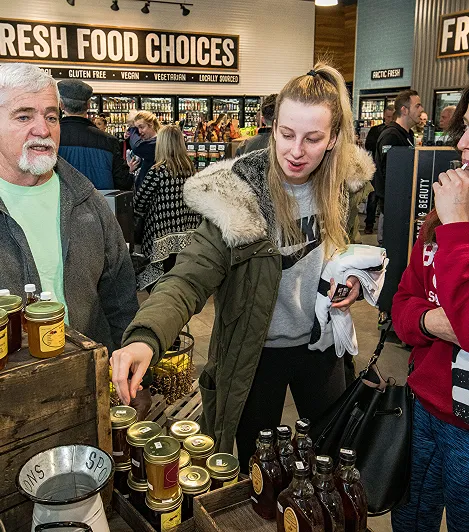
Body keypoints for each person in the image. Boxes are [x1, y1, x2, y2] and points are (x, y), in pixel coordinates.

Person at [111, 63, 375, 470]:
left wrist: (353, 279)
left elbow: (343, 252)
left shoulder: (342, 186)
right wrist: (145, 337)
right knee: (257, 467)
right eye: (286, 134)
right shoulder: (237, 195)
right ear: (272, 127)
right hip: (255, 353)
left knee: (331, 456)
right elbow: (187, 277)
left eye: (313, 138)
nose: (295, 150)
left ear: (334, 139)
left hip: (323, 347)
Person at [0, 62, 139, 356]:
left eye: (52, 117)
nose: (43, 129)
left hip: (89, 378)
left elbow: (120, 297)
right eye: (24, 116)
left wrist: (131, 368)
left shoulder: (86, 199)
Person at [391, 86, 469, 532]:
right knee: (410, 516)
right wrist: (428, 321)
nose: (461, 142)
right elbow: (403, 303)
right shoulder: (440, 218)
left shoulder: (452, 219)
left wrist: (458, 226)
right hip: (423, 406)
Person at [134, 125, 201, 291]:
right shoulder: (190, 169)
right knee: (178, 280)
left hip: (161, 235)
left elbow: (139, 202)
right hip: (187, 234)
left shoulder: (158, 171)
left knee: (160, 285)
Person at [57, 80, 132, 190]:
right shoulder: (109, 140)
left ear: (61, 105)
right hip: (101, 204)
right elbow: (123, 183)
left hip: (61, 205)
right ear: (88, 105)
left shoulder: (52, 137)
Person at [374, 90, 423, 244]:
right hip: (392, 208)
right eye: (417, 106)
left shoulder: (407, 135)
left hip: (403, 207)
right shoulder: (391, 135)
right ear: (404, 110)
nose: (421, 110)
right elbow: (388, 174)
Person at [363, 105, 395, 234]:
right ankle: (369, 224)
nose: (389, 119)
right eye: (388, 117)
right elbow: (368, 145)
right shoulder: (376, 130)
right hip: (376, 168)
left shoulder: (396, 131)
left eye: (392, 117)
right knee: (372, 198)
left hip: (389, 170)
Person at [128, 110, 160, 190]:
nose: (139, 131)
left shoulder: (156, 142)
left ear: (151, 125)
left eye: (141, 127)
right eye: (137, 128)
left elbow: (136, 147)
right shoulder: (148, 141)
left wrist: (132, 128)